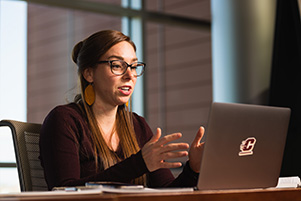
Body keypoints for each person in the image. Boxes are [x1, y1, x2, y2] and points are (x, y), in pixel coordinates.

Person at [39, 30, 205, 190]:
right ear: (89, 73)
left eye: (133, 66)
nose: (130, 75)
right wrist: (139, 163)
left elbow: (167, 193)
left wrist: (193, 168)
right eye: (117, 65)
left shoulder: (137, 125)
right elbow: (63, 191)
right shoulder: (65, 120)